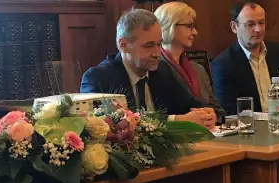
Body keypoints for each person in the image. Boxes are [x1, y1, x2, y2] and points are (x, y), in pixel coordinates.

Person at [80, 9, 217, 129]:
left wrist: (205, 114)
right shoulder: (98, 78)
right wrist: (176, 120)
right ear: (124, 45)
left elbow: (190, 107)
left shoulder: (162, 70)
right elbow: (101, 126)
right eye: (148, 46)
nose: (157, 53)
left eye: (159, 44)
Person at [211, 0, 279, 114]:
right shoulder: (223, 64)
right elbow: (228, 111)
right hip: (250, 124)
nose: (258, 29)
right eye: (250, 24)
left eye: (261, 23)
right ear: (234, 27)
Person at [154, 1, 225, 121]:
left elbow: (219, 111)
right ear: (170, 25)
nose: (195, 32)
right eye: (189, 26)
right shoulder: (154, 68)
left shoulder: (199, 69)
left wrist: (212, 116)